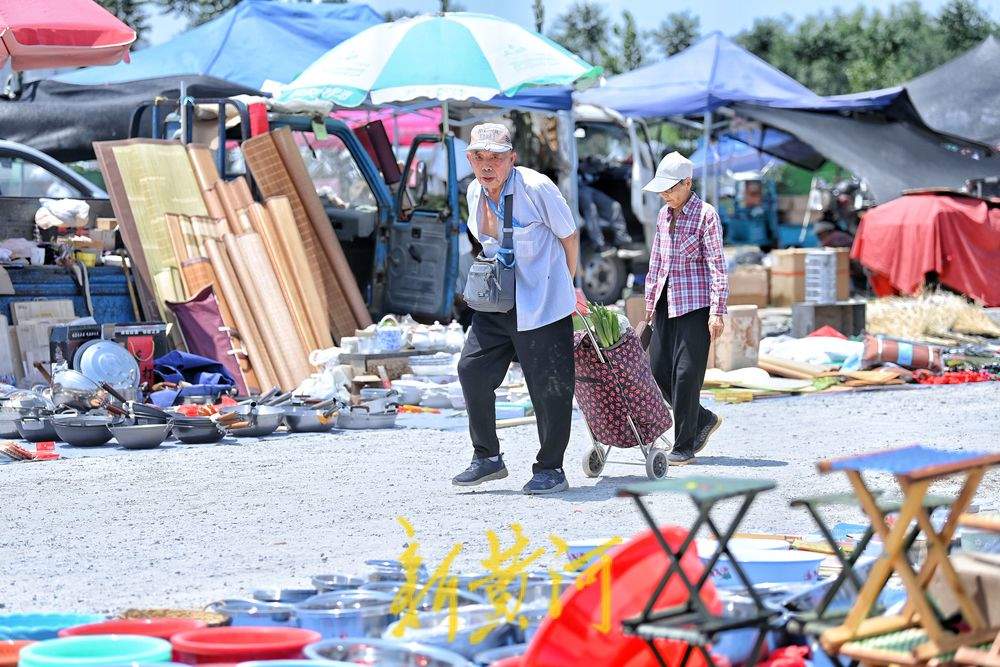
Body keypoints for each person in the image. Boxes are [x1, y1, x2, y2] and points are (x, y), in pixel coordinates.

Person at [452, 123, 580, 495]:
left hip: (541, 299)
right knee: (471, 369)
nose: (486, 164)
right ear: (469, 159)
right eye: (479, 157)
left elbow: (569, 236)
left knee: (548, 387)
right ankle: (487, 457)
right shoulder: (475, 191)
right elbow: (485, 240)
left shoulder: (536, 187)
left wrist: (567, 287)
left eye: (495, 157)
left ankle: (551, 468)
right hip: (497, 299)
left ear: (512, 158)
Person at [642, 152, 729, 465]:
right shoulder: (664, 216)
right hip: (666, 304)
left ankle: (684, 445)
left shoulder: (706, 215)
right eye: (662, 190)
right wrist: (649, 305)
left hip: (696, 305)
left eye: (670, 189)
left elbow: (717, 265)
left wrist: (717, 311)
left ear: (688, 183)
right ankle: (702, 419)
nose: (665, 195)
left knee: (686, 375)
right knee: (656, 371)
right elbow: (656, 262)